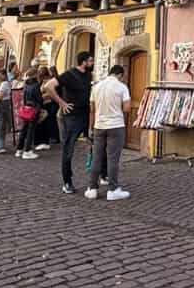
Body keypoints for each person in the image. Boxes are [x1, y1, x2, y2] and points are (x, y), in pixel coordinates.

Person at [46, 51, 94, 194]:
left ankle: (99, 174)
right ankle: (67, 181)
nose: (92, 63)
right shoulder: (69, 74)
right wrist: (62, 103)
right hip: (72, 117)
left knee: (95, 142)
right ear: (83, 62)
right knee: (68, 149)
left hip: (86, 115)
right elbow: (49, 86)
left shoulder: (88, 75)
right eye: (91, 61)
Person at [85, 65, 131, 201]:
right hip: (116, 126)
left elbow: (92, 109)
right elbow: (127, 108)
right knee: (113, 158)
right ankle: (113, 189)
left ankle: (92, 188)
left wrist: (91, 127)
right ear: (120, 75)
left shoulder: (96, 86)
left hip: (99, 125)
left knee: (96, 157)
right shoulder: (122, 87)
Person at [15, 68, 43, 159]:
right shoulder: (36, 85)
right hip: (33, 109)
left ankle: (19, 149)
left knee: (24, 129)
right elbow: (39, 99)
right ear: (35, 75)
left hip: (26, 109)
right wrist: (39, 106)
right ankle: (27, 150)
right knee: (31, 131)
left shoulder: (26, 84)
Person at [35, 66, 59, 150]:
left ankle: (46, 140)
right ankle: (43, 140)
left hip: (48, 103)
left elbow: (50, 93)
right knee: (45, 122)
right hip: (44, 103)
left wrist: (41, 96)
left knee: (46, 122)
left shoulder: (48, 82)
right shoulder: (43, 81)